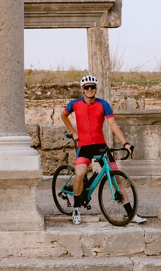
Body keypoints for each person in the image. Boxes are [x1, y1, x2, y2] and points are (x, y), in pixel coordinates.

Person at [59, 74, 143, 225]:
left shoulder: (103, 104)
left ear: (96, 88)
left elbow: (113, 125)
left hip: (100, 146)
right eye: (87, 87)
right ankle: (77, 208)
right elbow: (63, 115)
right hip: (84, 145)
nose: (90, 89)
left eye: (92, 87)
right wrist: (73, 132)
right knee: (79, 174)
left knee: (117, 177)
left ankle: (131, 214)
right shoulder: (75, 104)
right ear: (82, 89)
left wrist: (125, 143)